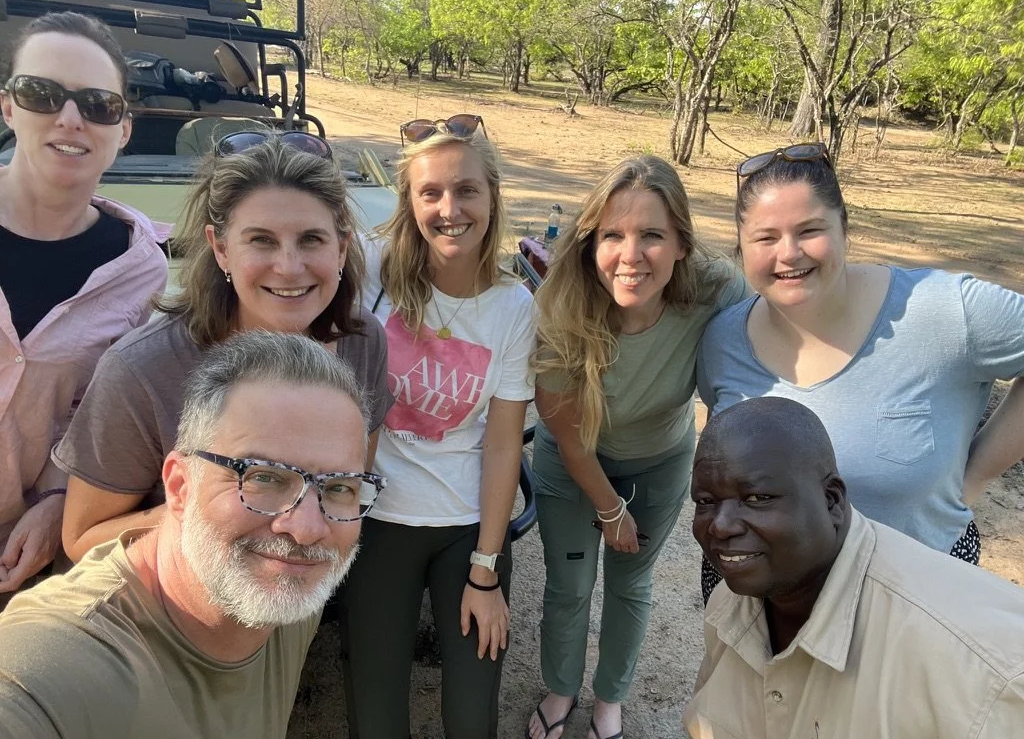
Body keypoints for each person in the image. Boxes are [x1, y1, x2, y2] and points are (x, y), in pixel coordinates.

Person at [0, 331, 382, 738]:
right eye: (264, 477)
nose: (306, 530)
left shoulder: (288, 591)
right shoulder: (50, 670)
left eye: (339, 486)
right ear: (180, 487)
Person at [696, 143, 1024, 604]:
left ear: (844, 230)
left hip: (913, 597)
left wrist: (976, 476)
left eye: (810, 230)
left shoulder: (945, 311)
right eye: (766, 238)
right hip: (758, 601)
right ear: (741, 249)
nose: (788, 254)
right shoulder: (723, 340)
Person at [55, 131, 393, 562]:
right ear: (221, 250)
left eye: (311, 239)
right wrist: (218, 508)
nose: (289, 267)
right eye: (261, 240)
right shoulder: (143, 371)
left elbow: (349, 488)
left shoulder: (361, 343)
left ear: (342, 249)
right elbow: (83, 539)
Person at [527, 156, 748, 739]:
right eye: (612, 236)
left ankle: (610, 699)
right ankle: (560, 688)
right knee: (569, 583)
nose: (631, 255)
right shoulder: (561, 305)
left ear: (681, 243)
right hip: (572, 461)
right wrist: (609, 511)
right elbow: (569, 436)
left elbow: (769, 352)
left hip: (660, 458)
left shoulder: (716, 291)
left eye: (652, 234)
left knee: (632, 583)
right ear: (590, 244)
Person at [338, 117, 535, 739]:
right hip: (379, 519)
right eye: (431, 193)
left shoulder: (513, 307)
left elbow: (504, 443)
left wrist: (487, 568)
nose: (450, 209)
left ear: (492, 197)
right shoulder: (373, 272)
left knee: (473, 713)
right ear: (410, 203)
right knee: (375, 709)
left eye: (467, 190)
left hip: (464, 529)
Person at [685, 396, 1024, 738]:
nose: (720, 525)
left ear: (832, 499)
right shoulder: (730, 606)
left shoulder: (986, 675)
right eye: (706, 502)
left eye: (757, 498)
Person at [0, 12, 169, 602]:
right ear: (8, 108)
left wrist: (56, 503)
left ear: (123, 129)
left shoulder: (139, 269)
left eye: (97, 105)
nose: (69, 118)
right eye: (42, 94)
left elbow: (99, 409)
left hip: (22, 550)